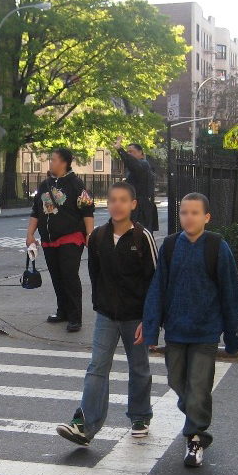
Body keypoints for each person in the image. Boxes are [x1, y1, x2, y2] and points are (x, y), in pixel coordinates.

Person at [141, 192, 238, 468]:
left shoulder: (217, 247)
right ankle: (196, 416)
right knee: (177, 381)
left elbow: (230, 293)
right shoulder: (171, 246)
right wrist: (151, 331)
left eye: (195, 213)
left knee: (198, 387)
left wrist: (234, 335)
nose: (189, 217)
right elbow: (158, 289)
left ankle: (196, 436)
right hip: (176, 330)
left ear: (206, 218)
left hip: (205, 332)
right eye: (184, 212)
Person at [56, 182, 157, 446]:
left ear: (133, 204)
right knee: (97, 367)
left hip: (136, 316)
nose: (117, 204)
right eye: (112, 200)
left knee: (139, 368)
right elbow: (95, 274)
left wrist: (149, 319)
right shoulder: (98, 236)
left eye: (123, 200)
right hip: (106, 316)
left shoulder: (142, 237)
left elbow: (154, 280)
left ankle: (140, 416)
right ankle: (85, 424)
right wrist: (100, 304)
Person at [26, 148, 96, 333]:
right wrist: (30, 235)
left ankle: (75, 317)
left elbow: (87, 210)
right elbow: (36, 211)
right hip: (49, 239)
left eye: (54, 159)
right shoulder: (45, 184)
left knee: (69, 275)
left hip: (71, 237)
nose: (51, 162)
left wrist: (89, 234)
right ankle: (62, 311)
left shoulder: (75, 184)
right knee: (57, 276)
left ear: (64, 162)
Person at [114, 136, 159, 231]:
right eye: (128, 152)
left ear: (140, 153)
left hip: (141, 211)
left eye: (132, 152)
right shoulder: (135, 167)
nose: (129, 154)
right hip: (135, 208)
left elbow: (133, 164)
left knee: (139, 237)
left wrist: (120, 149)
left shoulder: (143, 164)